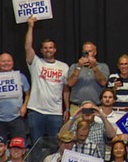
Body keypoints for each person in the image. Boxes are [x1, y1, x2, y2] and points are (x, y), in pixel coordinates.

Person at [23, 18, 69, 154]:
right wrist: (30, 26)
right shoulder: (36, 63)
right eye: (45, 48)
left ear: (55, 49)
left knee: (56, 146)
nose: (48, 50)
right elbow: (27, 47)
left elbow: (66, 89)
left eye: (50, 47)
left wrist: (66, 108)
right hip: (36, 110)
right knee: (36, 145)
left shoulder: (63, 66)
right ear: (41, 50)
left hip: (55, 111)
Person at [66, 41, 110, 112]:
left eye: (89, 51)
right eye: (85, 52)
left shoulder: (102, 66)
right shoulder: (74, 66)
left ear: (95, 53)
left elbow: (103, 82)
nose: (87, 54)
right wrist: (79, 67)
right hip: (77, 107)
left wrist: (94, 66)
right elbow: (70, 83)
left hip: (96, 107)